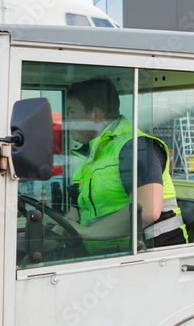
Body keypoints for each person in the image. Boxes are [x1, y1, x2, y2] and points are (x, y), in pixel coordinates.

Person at [65, 77, 187, 252]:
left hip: (152, 260)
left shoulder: (137, 147)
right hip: (106, 259)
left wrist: (86, 233)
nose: (67, 120)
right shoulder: (89, 162)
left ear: (96, 114)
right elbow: (72, 218)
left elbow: (147, 210)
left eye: (72, 112)